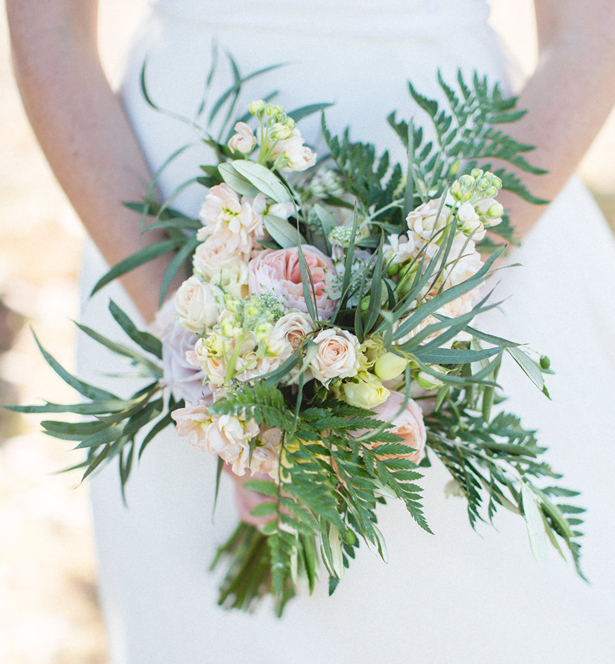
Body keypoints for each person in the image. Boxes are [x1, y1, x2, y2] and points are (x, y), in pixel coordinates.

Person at [7, 1, 615, 662]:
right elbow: (51, 29)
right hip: (169, 219)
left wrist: (430, 288)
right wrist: (211, 353)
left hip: (483, 214)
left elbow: (588, 34)